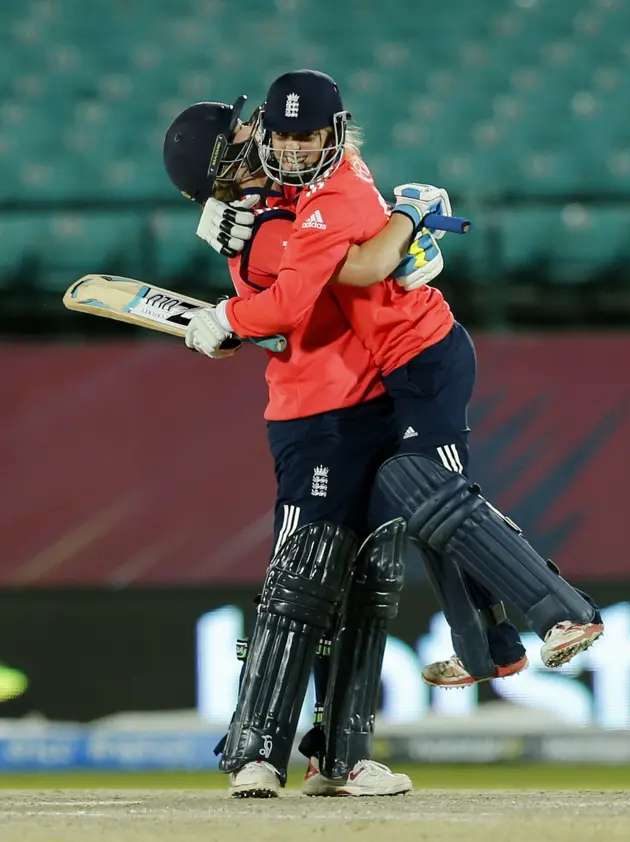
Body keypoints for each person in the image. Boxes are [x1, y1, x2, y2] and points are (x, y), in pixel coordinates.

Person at [184, 70, 604, 683]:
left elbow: (325, 285)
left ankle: (563, 612)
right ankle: (492, 648)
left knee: (446, 503)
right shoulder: (300, 187)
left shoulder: (333, 194)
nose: (290, 147)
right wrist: (224, 210)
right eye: (281, 135)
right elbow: (343, 259)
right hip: (400, 364)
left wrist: (228, 315)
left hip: (424, 355)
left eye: (306, 135)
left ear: (335, 132)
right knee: (432, 509)